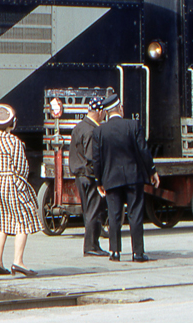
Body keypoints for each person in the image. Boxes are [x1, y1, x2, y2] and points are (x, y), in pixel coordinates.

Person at [0, 103, 42, 276]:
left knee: (1, 223)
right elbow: (21, 168)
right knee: (22, 222)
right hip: (10, 184)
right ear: (13, 122)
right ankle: (18, 262)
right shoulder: (15, 142)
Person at [92, 94, 159, 263]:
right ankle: (138, 253)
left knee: (114, 215)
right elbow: (144, 151)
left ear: (106, 112)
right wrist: (152, 171)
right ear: (120, 108)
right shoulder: (133, 125)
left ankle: (114, 251)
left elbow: (97, 160)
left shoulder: (99, 131)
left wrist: (98, 181)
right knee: (135, 213)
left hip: (111, 179)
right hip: (133, 177)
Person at [68, 96, 108, 256]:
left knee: (88, 210)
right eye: (104, 112)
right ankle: (91, 246)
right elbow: (92, 158)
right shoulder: (92, 131)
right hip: (89, 176)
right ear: (98, 112)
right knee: (93, 210)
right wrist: (99, 179)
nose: (105, 115)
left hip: (79, 175)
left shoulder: (79, 127)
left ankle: (93, 244)